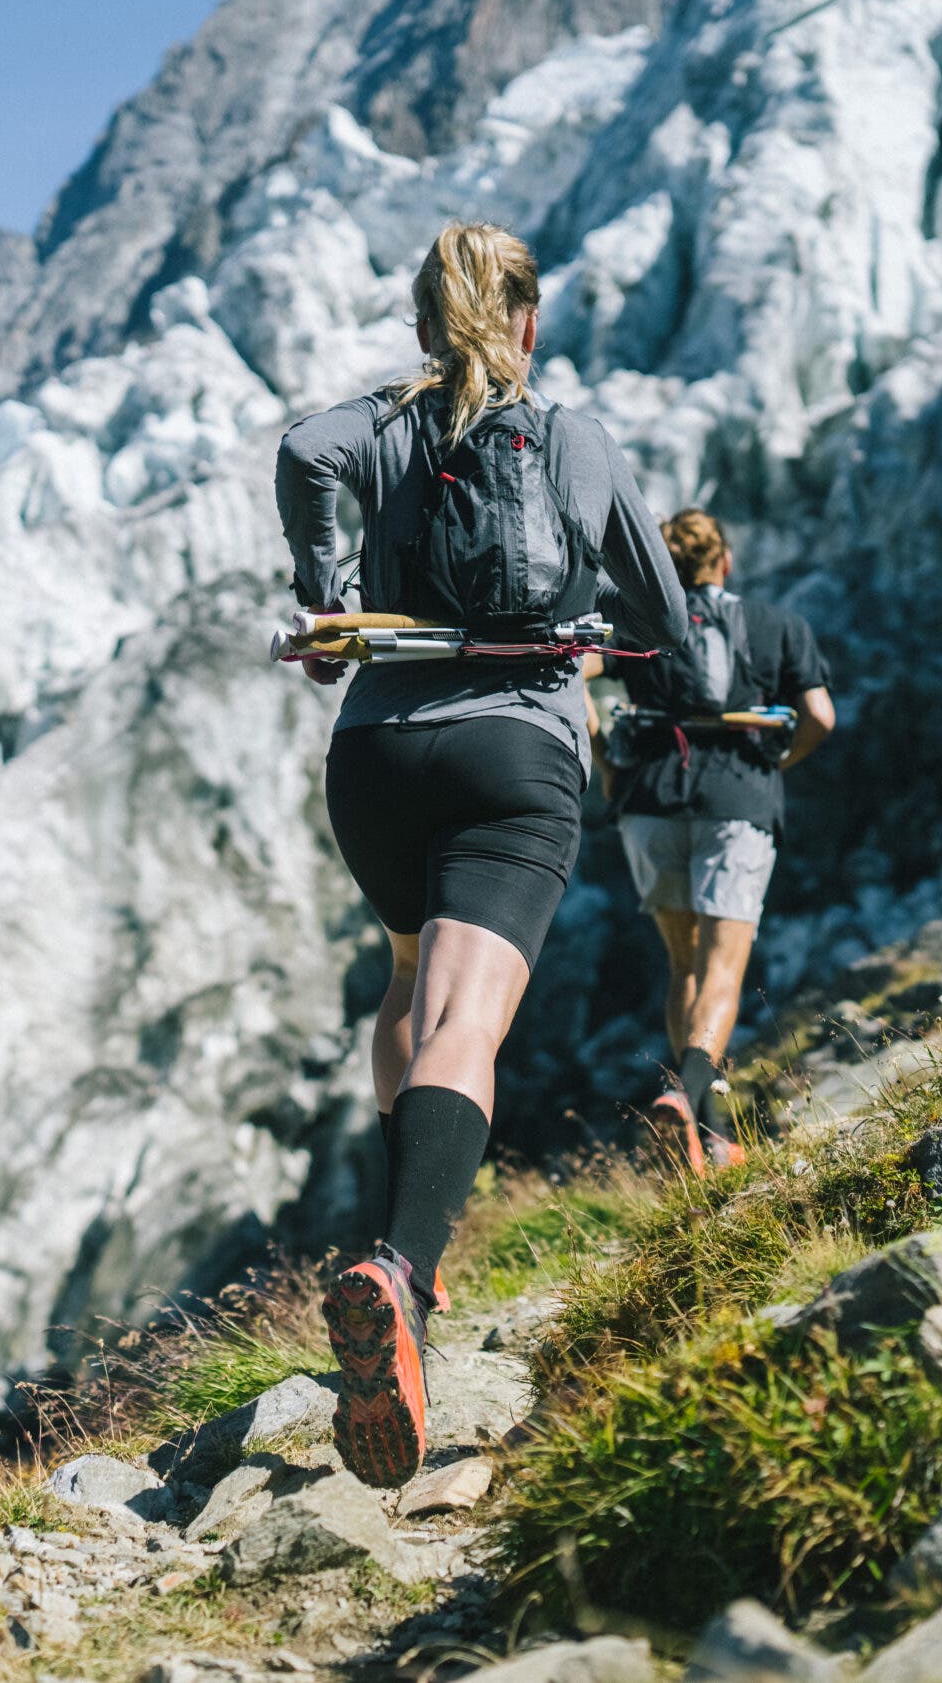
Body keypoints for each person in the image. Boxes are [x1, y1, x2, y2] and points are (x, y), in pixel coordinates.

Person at [275, 222, 684, 1487]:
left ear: (420, 325)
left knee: (405, 981)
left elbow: (300, 451)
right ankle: (400, 1265)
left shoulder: (380, 426)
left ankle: (409, 1246)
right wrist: (602, 627)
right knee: (467, 1014)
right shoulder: (571, 438)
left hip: (377, 757)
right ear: (526, 321)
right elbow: (661, 616)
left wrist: (328, 579)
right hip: (514, 755)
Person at [606, 508, 834, 1172]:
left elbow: (575, 673)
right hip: (738, 799)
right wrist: (779, 762)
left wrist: (604, 752)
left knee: (683, 967)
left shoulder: (638, 625)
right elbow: (820, 714)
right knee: (723, 970)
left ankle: (710, 1135)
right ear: (725, 561)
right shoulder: (778, 626)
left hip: (650, 802)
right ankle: (690, 1090)